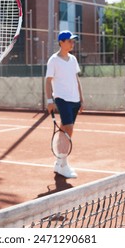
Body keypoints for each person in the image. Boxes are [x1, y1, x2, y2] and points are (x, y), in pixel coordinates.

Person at [45, 30, 85, 179]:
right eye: (70, 40)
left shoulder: (73, 59)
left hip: (75, 100)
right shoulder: (53, 60)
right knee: (68, 129)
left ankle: (59, 162)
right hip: (62, 99)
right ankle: (63, 164)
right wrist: (50, 101)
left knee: (65, 130)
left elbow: (76, 79)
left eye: (73, 41)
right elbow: (48, 81)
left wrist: (81, 99)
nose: (72, 43)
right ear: (61, 42)